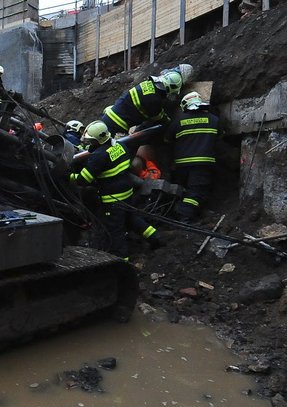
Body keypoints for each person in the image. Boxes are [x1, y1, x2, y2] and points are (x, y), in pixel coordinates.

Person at [69, 121, 161, 260]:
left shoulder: (98, 156)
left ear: (97, 140)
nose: (89, 143)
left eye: (91, 141)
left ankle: (123, 261)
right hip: (127, 193)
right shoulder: (119, 145)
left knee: (115, 231)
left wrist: (68, 176)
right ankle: (156, 238)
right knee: (132, 219)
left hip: (112, 200)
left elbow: (83, 180)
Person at [166, 90, 219, 221]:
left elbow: (167, 140)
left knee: (183, 191)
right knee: (196, 193)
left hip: (181, 166)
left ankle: (176, 214)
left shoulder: (178, 121)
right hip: (203, 165)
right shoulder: (214, 120)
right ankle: (184, 219)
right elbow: (220, 136)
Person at [99, 63, 194, 135]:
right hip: (118, 125)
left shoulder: (148, 84)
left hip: (110, 116)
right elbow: (161, 118)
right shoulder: (154, 100)